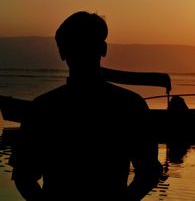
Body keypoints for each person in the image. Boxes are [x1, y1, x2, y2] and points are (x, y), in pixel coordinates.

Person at [11, 11, 162, 201]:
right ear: (103, 49)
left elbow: (23, 178)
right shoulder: (131, 105)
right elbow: (148, 173)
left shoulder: (42, 108)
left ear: (62, 52)